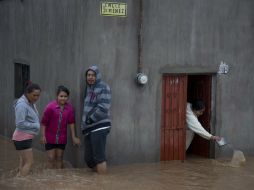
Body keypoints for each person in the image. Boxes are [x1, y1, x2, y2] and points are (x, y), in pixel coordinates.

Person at [40, 85, 80, 169]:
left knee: (59, 158)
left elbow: (71, 122)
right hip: (50, 137)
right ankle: (49, 178)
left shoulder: (69, 108)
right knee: (51, 158)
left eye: (65, 96)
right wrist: (43, 136)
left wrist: (74, 137)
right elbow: (44, 123)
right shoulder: (50, 107)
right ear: (57, 96)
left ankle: (59, 179)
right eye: (61, 96)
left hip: (62, 138)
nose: (63, 98)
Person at [81, 65, 111, 174]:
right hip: (89, 128)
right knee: (89, 159)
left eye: (93, 75)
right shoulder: (88, 88)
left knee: (99, 158)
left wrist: (90, 119)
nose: (90, 77)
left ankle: (102, 184)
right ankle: (97, 182)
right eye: (88, 75)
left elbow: (104, 107)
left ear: (97, 76)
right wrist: (85, 125)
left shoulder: (103, 87)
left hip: (99, 126)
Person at [12, 83, 41, 176]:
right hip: (22, 138)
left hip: (23, 137)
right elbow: (19, 123)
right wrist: (35, 125)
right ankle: (21, 182)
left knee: (24, 163)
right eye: (34, 95)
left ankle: (18, 183)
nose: (36, 98)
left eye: (38, 95)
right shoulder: (22, 105)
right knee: (29, 162)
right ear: (27, 93)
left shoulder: (30, 102)